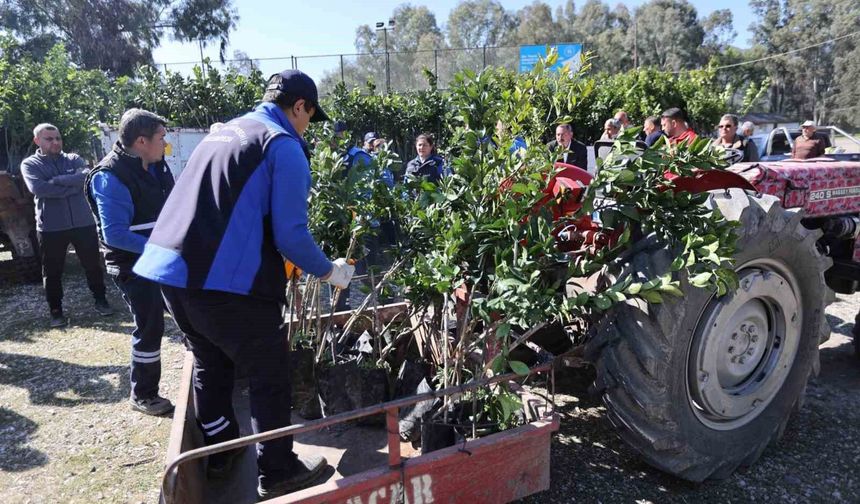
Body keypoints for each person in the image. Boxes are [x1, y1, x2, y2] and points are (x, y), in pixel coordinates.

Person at [132, 69, 355, 499]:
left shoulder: (226, 131)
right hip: (224, 284)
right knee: (270, 373)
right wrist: (329, 271)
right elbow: (290, 234)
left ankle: (219, 449)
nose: (308, 124)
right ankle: (278, 470)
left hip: (172, 274)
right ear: (299, 107)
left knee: (210, 363)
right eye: (310, 115)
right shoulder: (282, 143)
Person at [85, 109, 175, 416]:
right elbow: (115, 234)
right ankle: (144, 394)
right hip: (133, 266)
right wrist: (162, 248)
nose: (166, 144)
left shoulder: (157, 165)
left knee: (189, 311)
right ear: (141, 141)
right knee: (149, 326)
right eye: (161, 138)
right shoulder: (110, 178)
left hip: (164, 259)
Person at [20, 123, 113, 328]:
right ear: (37, 141)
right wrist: (72, 187)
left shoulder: (73, 159)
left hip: (83, 222)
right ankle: (56, 311)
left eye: (58, 138)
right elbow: (40, 189)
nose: (55, 142)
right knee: (52, 271)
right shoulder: (30, 164)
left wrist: (58, 180)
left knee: (93, 265)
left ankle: (101, 300)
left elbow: (86, 177)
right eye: (49, 139)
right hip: (51, 227)